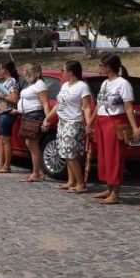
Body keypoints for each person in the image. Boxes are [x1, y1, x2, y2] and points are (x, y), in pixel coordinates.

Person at [88, 53, 137, 205]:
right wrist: (90, 122)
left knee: (114, 157)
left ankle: (115, 192)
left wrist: (135, 128)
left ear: (108, 67)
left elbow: (129, 108)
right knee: (103, 157)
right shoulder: (105, 84)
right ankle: (109, 188)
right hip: (102, 122)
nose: (99, 68)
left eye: (101, 65)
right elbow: (99, 105)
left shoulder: (123, 84)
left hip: (114, 122)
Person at [42, 60, 93, 193]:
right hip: (62, 122)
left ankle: (80, 184)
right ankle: (71, 181)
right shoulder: (65, 86)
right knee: (64, 153)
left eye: (63, 70)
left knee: (70, 154)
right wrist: (48, 118)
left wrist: (88, 124)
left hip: (74, 122)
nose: (61, 72)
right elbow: (59, 104)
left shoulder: (82, 86)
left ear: (70, 72)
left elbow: (86, 107)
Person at [16, 63, 51, 183]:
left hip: (34, 115)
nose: (22, 72)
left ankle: (36, 173)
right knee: (30, 144)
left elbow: (45, 103)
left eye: (24, 70)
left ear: (30, 71)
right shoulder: (31, 84)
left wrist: (47, 119)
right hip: (27, 115)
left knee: (32, 144)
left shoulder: (40, 85)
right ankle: (39, 171)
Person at [0, 60, 20, 174]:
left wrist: (0, 95)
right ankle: (0, 163)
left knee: (6, 140)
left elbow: (14, 99)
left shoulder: (12, 82)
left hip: (7, 113)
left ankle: (7, 166)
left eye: (0, 68)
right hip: (0, 112)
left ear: (5, 70)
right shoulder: (5, 82)